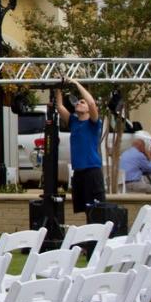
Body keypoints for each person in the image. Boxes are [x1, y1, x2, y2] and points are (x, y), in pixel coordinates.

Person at [56, 78, 105, 213]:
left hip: (92, 171)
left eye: (81, 102)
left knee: (96, 209)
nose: (79, 103)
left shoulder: (93, 123)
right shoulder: (73, 121)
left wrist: (77, 84)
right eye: (78, 102)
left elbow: (91, 102)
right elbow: (60, 106)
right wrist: (58, 86)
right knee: (83, 208)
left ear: (89, 110)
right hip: (78, 172)